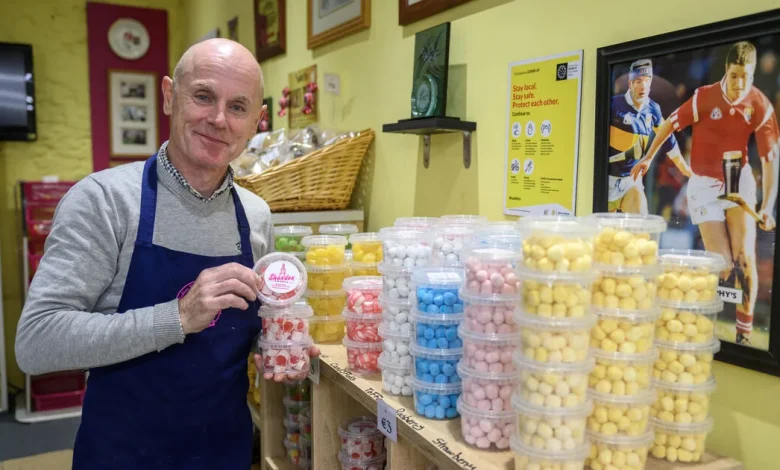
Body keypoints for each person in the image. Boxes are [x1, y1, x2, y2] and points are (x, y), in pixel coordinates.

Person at [15, 39, 318, 468]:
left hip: (223, 453)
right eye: (203, 96)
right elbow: (36, 342)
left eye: (238, 107)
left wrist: (278, 344)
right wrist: (177, 317)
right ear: (168, 96)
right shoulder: (104, 201)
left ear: (256, 122)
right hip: (121, 455)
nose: (218, 120)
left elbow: (239, 337)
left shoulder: (257, 215)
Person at [632, 41, 780, 345]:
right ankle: (688, 314)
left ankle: (744, 336)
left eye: (746, 77)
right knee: (723, 264)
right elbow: (667, 126)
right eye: (734, 75)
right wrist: (647, 157)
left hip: (737, 178)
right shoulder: (703, 98)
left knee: (745, 258)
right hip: (702, 183)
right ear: (727, 70)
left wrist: (768, 205)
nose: (740, 84)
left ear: (753, 74)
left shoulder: (760, 105)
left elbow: (769, 161)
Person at [607, 58, 690, 213]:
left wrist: (685, 168)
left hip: (630, 183)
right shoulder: (613, 105)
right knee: (607, 235)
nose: (643, 86)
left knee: (641, 230)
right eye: (638, 81)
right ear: (630, 83)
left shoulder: (653, 109)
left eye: (647, 81)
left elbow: (669, 139)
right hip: (607, 183)